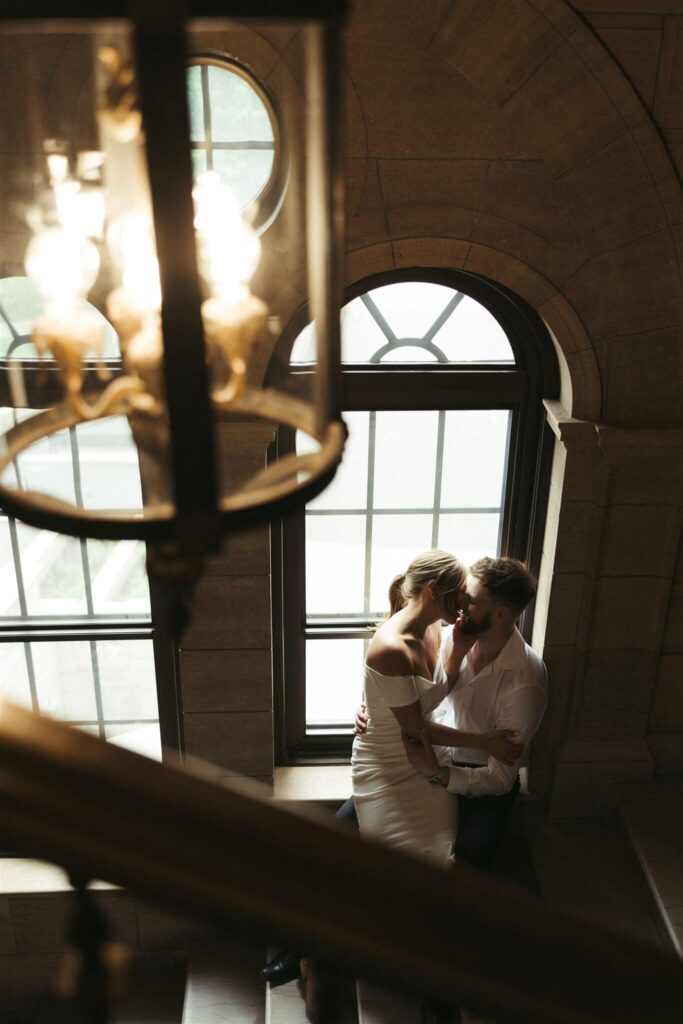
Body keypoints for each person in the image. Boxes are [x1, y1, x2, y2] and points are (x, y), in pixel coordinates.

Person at [351, 549, 522, 866]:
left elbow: (437, 688)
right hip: (388, 762)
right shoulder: (391, 647)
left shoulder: (433, 628)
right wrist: (485, 741)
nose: (462, 602)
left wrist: (458, 647)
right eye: (456, 593)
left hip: (427, 759)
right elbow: (415, 728)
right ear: (432, 590)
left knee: (439, 856)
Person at [400, 556, 548, 872]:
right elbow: (414, 691)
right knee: (347, 822)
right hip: (431, 757)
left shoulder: (525, 682)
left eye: (471, 600)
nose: (460, 604)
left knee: (466, 858)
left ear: (501, 612)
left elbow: (500, 778)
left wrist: (438, 775)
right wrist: (374, 710)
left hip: (482, 788)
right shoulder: (451, 636)